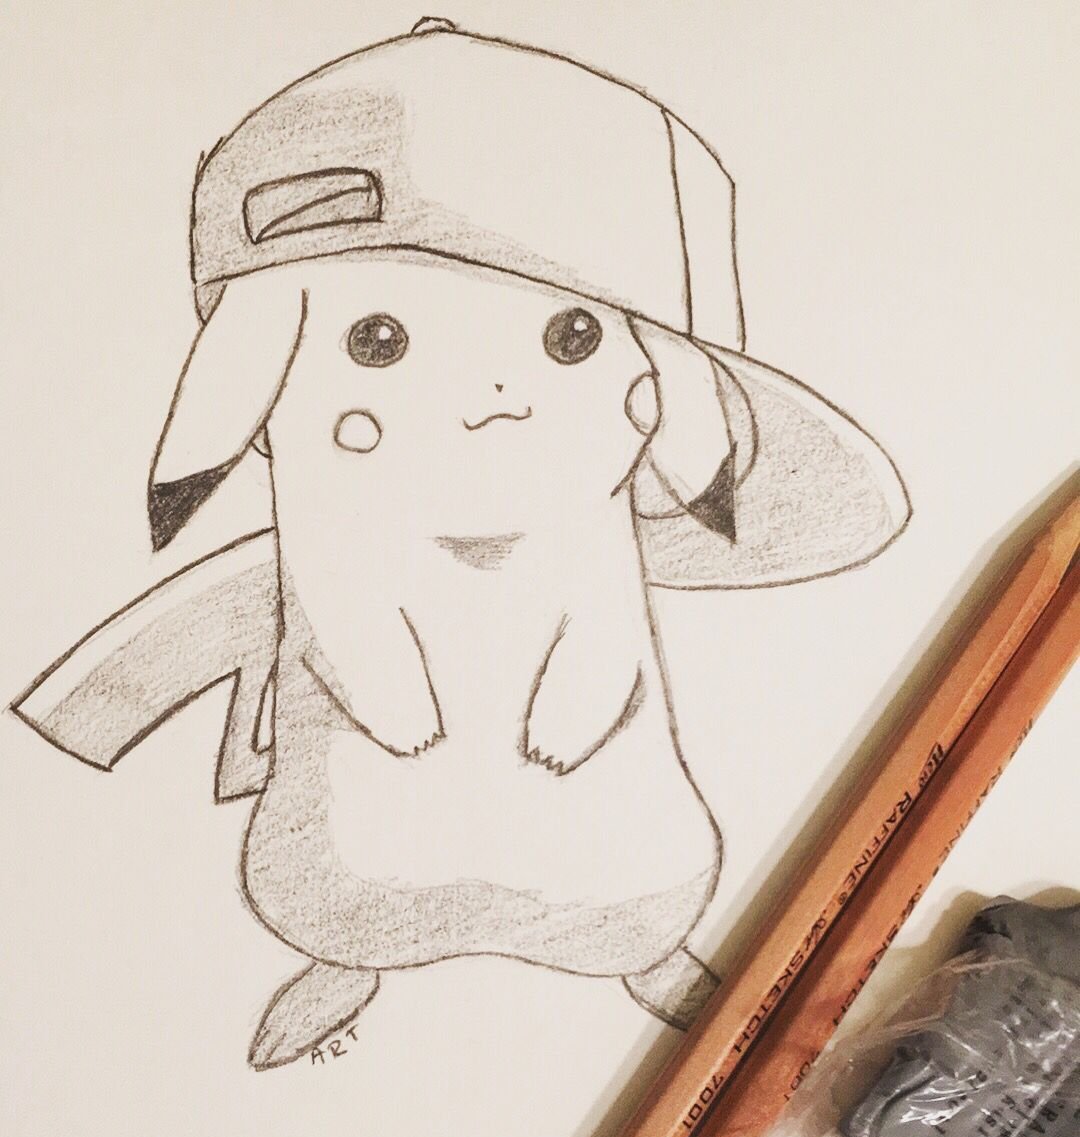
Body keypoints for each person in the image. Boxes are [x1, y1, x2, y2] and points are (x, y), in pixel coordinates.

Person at [11, 18, 910, 1069]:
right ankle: (349, 957)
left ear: (657, 387)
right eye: (376, 341)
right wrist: (375, 685)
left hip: (601, 840)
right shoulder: (328, 536)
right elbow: (287, 627)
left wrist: (583, 696)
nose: (490, 395)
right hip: (367, 844)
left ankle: (643, 951)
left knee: (627, 881)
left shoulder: (592, 527)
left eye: (572, 337)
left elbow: (598, 640)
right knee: (346, 881)